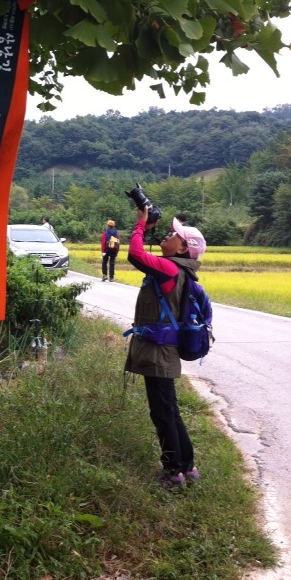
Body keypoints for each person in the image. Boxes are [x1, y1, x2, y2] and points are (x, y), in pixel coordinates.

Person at [125, 208, 207, 491]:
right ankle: (187, 466)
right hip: (164, 349)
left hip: (158, 353)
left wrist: (139, 225)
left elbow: (135, 255)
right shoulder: (178, 269)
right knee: (170, 410)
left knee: (163, 413)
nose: (168, 235)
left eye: (174, 235)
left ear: (184, 248)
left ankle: (173, 472)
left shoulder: (170, 268)